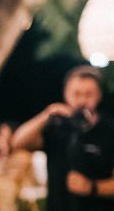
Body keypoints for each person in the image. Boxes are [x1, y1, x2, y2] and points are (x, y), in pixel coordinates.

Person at [11, 65, 114, 211]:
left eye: (89, 94)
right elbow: (17, 143)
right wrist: (48, 113)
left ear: (99, 95)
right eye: (76, 94)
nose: (82, 100)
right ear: (66, 94)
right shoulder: (56, 127)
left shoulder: (110, 129)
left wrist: (92, 187)